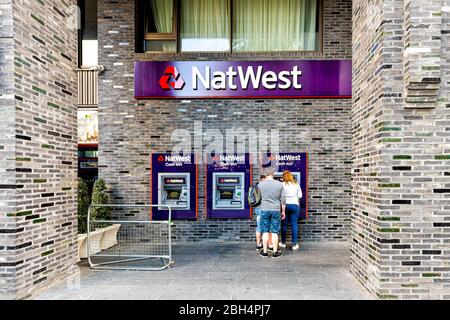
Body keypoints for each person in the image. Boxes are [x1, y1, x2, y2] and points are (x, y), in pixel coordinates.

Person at [257, 169, 286, 258]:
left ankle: (265, 252)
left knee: (265, 231)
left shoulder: (260, 184)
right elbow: (283, 200)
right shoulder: (280, 184)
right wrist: (283, 211)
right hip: (276, 210)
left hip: (264, 209)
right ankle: (275, 251)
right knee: (274, 232)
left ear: (266, 174)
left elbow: (258, 198)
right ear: (273, 174)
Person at [280, 170, 302, 250]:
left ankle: (283, 243)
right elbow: (299, 196)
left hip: (284, 206)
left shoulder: (282, 185)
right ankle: (294, 244)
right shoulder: (296, 185)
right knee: (294, 224)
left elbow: (279, 196)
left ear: (283, 177)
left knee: (284, 225)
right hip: (294, 205)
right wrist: (297, 204)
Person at [254, 174, 266, 250]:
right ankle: (267, 245)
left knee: (259, 227)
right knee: (266, 227)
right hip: (265, 208)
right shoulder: (265, 187)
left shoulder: (256, 186)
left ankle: (258, 244)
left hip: (258, 209)